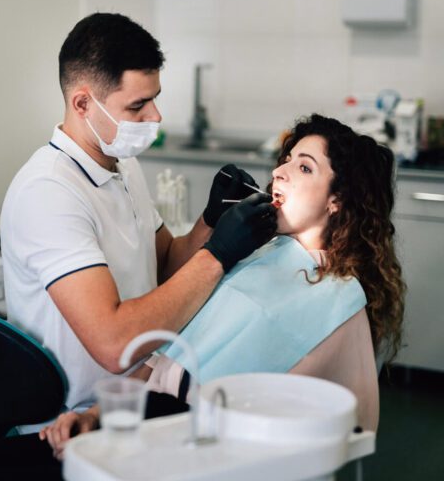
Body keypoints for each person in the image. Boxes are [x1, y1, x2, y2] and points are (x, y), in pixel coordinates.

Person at [40, 114, 406, 458]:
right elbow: (165, 360)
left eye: (304, 167)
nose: (279, 172)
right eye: (287, 160)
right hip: (148, 426)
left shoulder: (339, 301)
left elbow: (345, 426)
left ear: (336, 201)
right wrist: (96, 414)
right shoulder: (255, 254)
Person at [0, 12, 276, 426]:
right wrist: (217, 255)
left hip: (137, 397)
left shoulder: (120, 164)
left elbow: (163, 262)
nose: (156, 117)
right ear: (82, 103)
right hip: (72, 425)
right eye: (137, 105)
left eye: (155, 98)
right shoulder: (49, 192)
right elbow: (114, 345)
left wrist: (211, 219)